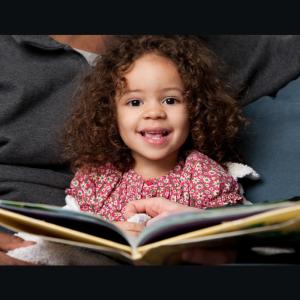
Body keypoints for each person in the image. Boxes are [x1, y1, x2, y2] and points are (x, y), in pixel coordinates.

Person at [63, 35, 245, 235]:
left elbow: (231, 235)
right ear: (111, 114)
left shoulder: (206, 177)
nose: (154, 112)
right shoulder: (98, 179)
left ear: (195, 109)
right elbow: (68, 232)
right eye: (135, 102)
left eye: (170, 100)